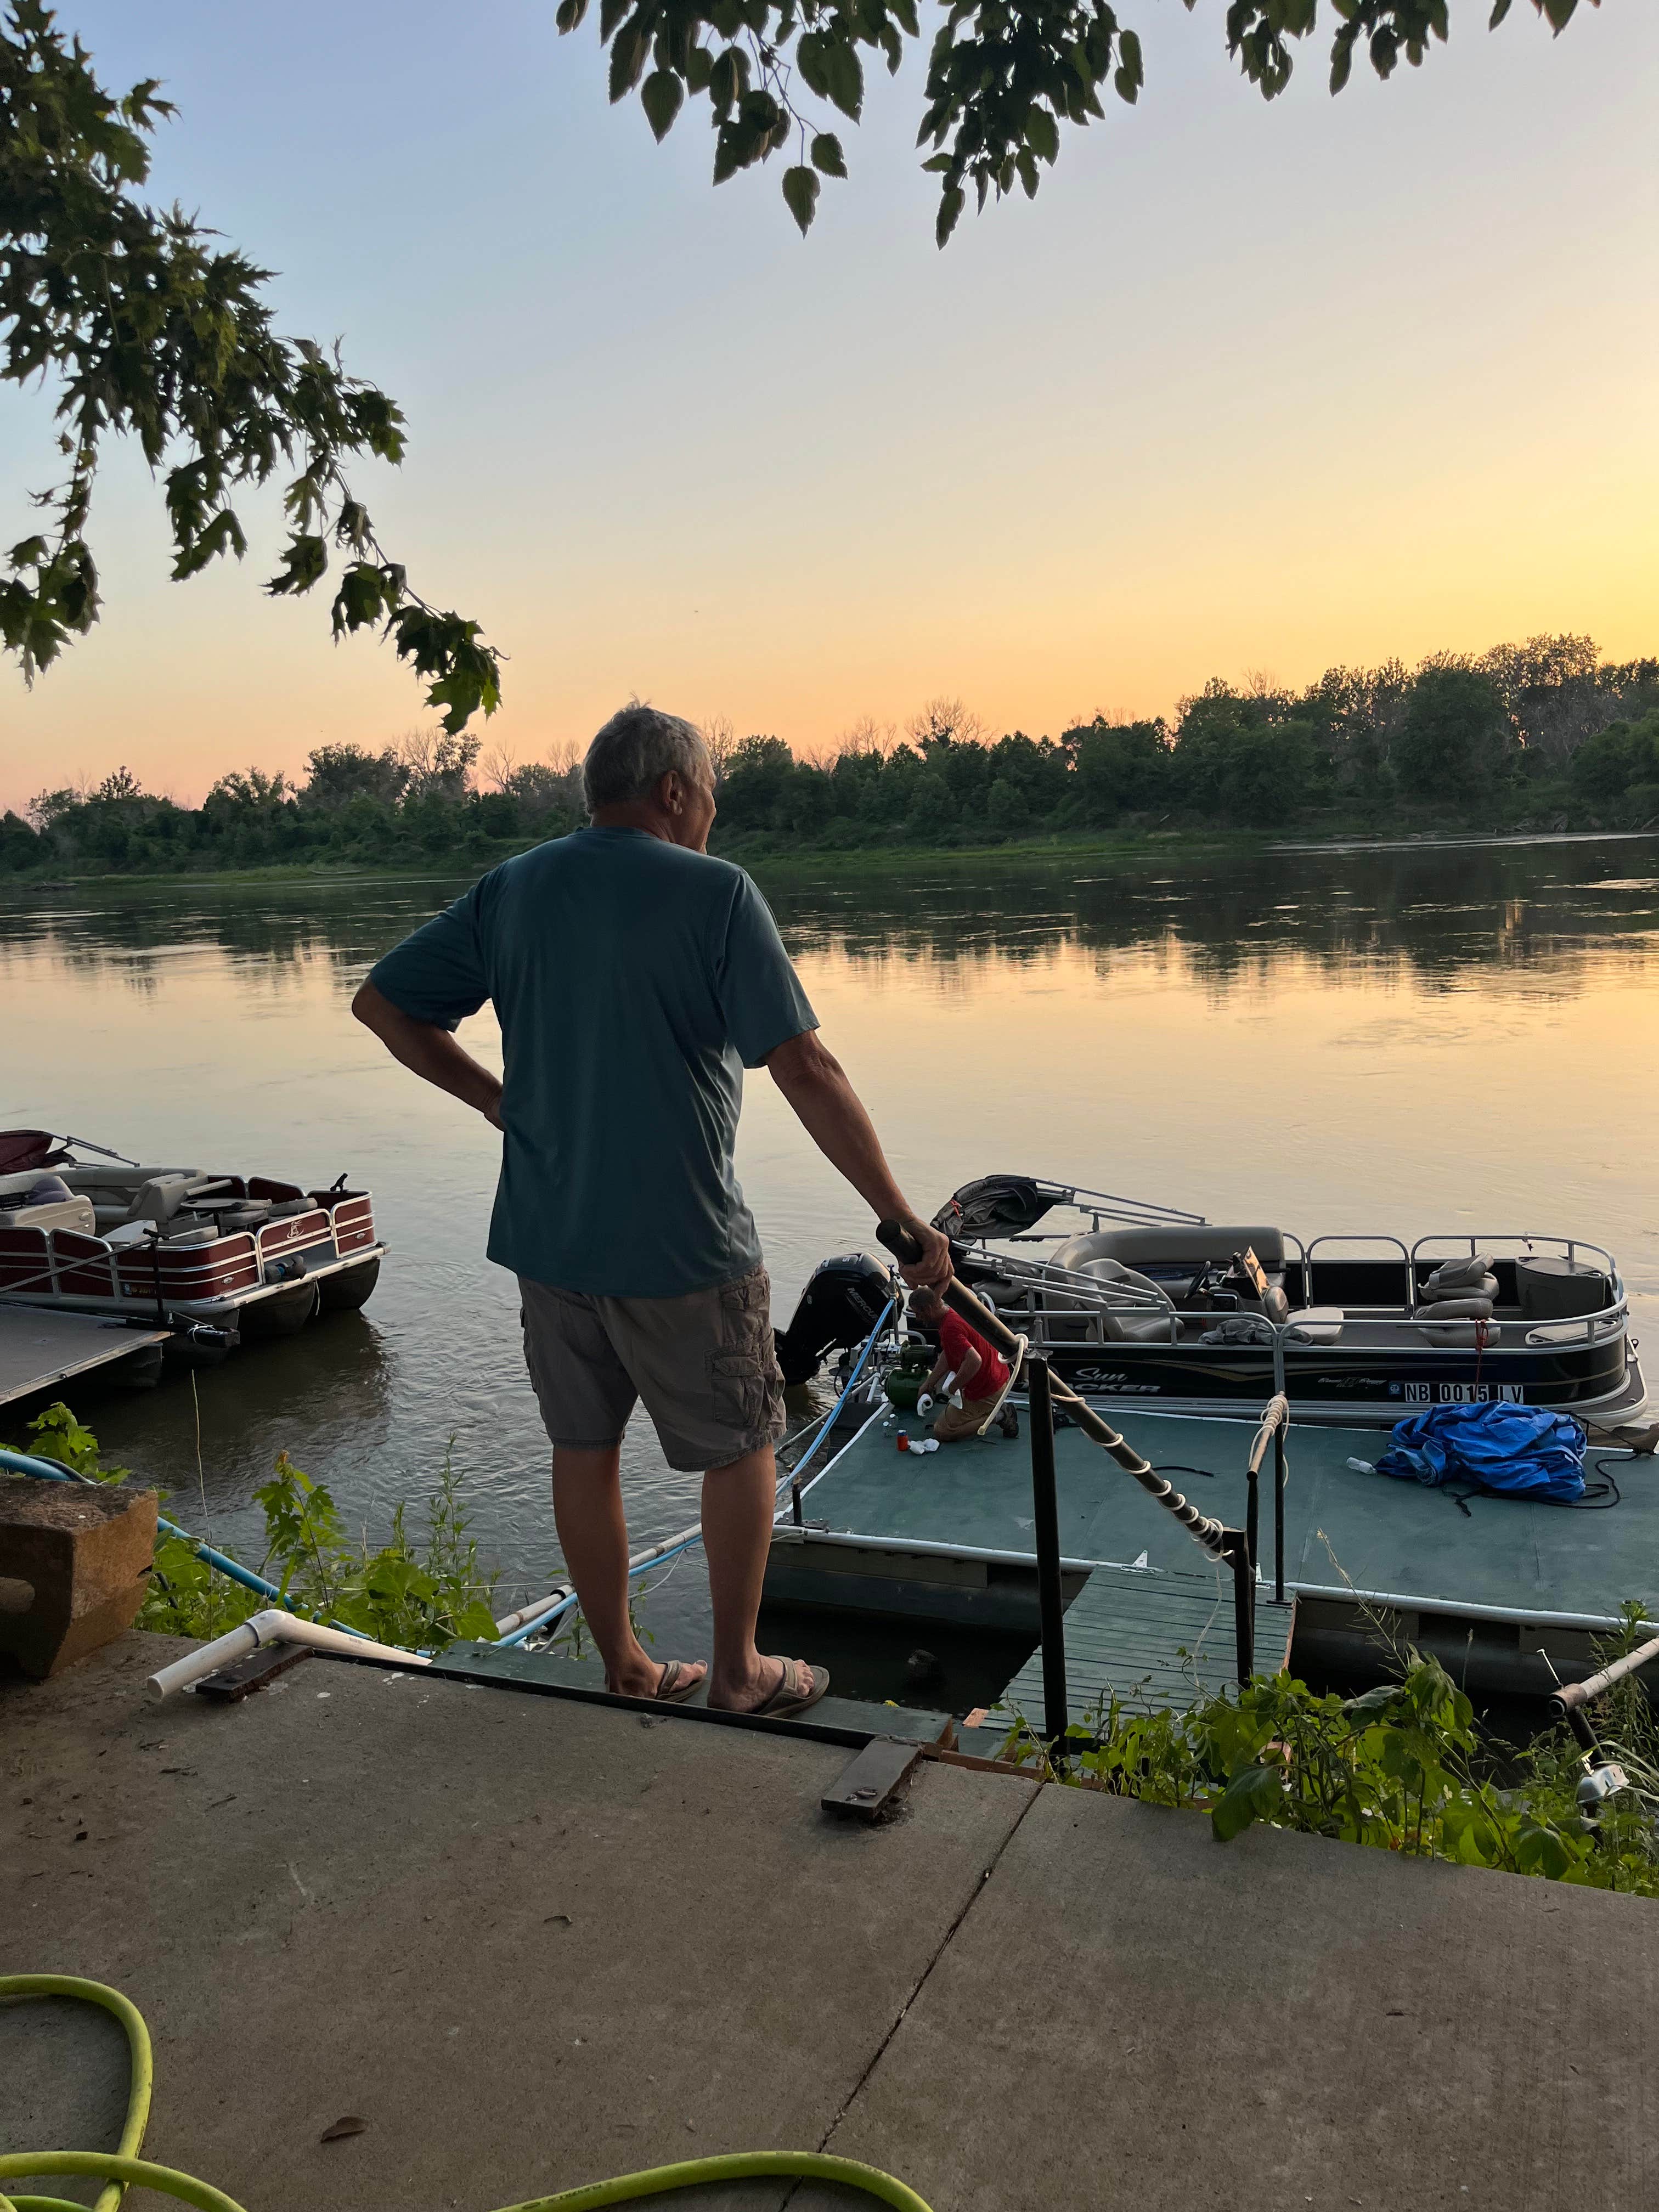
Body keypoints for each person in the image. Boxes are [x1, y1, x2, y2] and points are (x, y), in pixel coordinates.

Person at [352, 704, 952, 1718]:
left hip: (547, 1238)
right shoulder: (716, 893)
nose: (713, 810)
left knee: (582, 1450)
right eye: (710, 791)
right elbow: (804, 1065)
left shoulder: (514, 887)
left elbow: (383, 1004)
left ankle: (625, 1664)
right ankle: (737, 1672)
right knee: (742, 1442)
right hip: (681, 1243)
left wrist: (495, 1098)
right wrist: (901, 1219)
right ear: (674, 790)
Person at [910, 1285, 1018, 1443]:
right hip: (1000, 1376)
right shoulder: (954, 1314)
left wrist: (953, 1387)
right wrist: (929, 1383)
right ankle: (990, 1409)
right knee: (951, 1413)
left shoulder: (950, 1328)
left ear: (929, 1309)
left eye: (919, 1313)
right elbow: (949, 1353)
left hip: (987, 1390)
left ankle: (999, 1415)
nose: (918, 1318)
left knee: (942, 1431)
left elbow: (975, 1360)